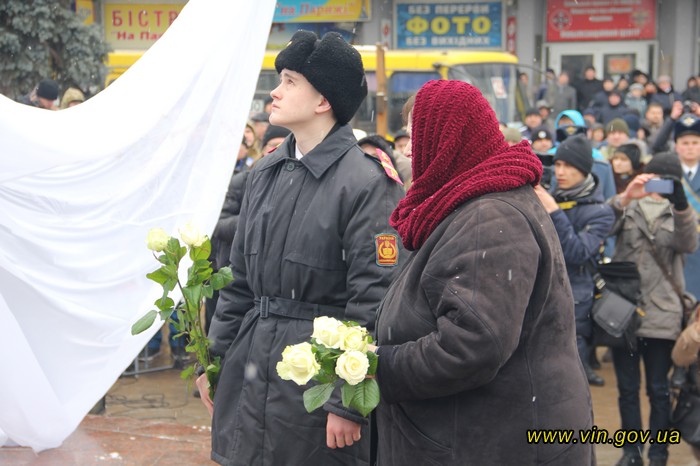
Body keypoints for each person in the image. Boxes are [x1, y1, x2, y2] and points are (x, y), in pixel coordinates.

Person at [197, 30, 404, 466]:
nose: (275, 92)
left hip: (316, 381)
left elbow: (375, 300)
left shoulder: (367, 182)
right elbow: (239, 283)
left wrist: (348, 401)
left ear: (322, 100)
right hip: (252, 368)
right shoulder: (265, 173)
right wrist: (213, 362)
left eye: (290, 81)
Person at [373, 79, 594, 465]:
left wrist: (380, 365)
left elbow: (472, 346)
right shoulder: (475, 201)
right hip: (484, 433)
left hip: (493, 441)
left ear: (445, 142)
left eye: (415, 135)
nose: (407, 149)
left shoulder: (490, 216)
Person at [608, 153, 698, 466]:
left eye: (665, 181)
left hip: (663, 312)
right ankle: (631, 452)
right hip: (624, 312)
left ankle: (659, 453)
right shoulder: (628, 206)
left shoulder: (680, 213)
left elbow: (688, 244)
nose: (657, 186)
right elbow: (602, 226)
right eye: (653, 178)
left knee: (659, 390)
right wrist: (625, 196)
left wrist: (681, 205)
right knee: (627, 389)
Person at [535, 134, 615, 386]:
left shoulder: (600, 211)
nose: (561, 172)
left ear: (584, 170)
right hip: (541, 292)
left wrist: (554, 211)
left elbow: (577, 252)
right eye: (558, 164)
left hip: (576, 297)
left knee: (571, 381)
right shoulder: (546, 196)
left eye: (569, 166)